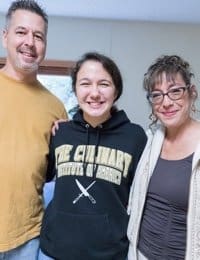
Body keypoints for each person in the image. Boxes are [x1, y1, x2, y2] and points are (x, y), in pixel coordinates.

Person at [40, 51, 147, 260]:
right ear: (75, 89)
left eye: (104, 84)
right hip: (54, 252)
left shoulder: (135, 137)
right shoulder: (60, 133)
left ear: (116, 90)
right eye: (85, 83)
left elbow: (143, 198)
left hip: (110, 254)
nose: (95, 93)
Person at [0, 1, 67, 259]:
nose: (30, 42)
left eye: (38, 36)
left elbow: (53, 172)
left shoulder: (56, 106)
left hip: (27, 239)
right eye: (21, 32)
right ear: (5, 37)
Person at [127, 55, 200, 260]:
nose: (166, 102)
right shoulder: (149, 142)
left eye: (175, 91)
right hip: (139, 254)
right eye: (157, 95)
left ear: (191, 92)